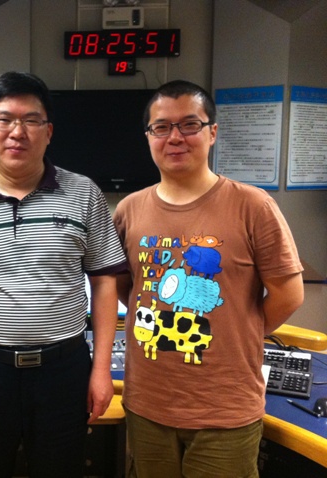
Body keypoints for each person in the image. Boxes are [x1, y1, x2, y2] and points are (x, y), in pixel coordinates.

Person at [0, 71, 127, 478]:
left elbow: (104, 282)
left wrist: (101, 368)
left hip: (63, 371)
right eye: (4, 119)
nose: (17, 132)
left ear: (48, 131)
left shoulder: (85, 193)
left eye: (31, 120)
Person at [112, 79, 304, 478]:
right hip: (147, 405)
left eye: (189, 125)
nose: (175, 137)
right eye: (161, 127)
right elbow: (126, 288)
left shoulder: (253, 205)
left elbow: (289, 294)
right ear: (149, 136)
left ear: (212, 132)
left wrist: (237, 332)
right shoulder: (128, 210)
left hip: (225, 410)